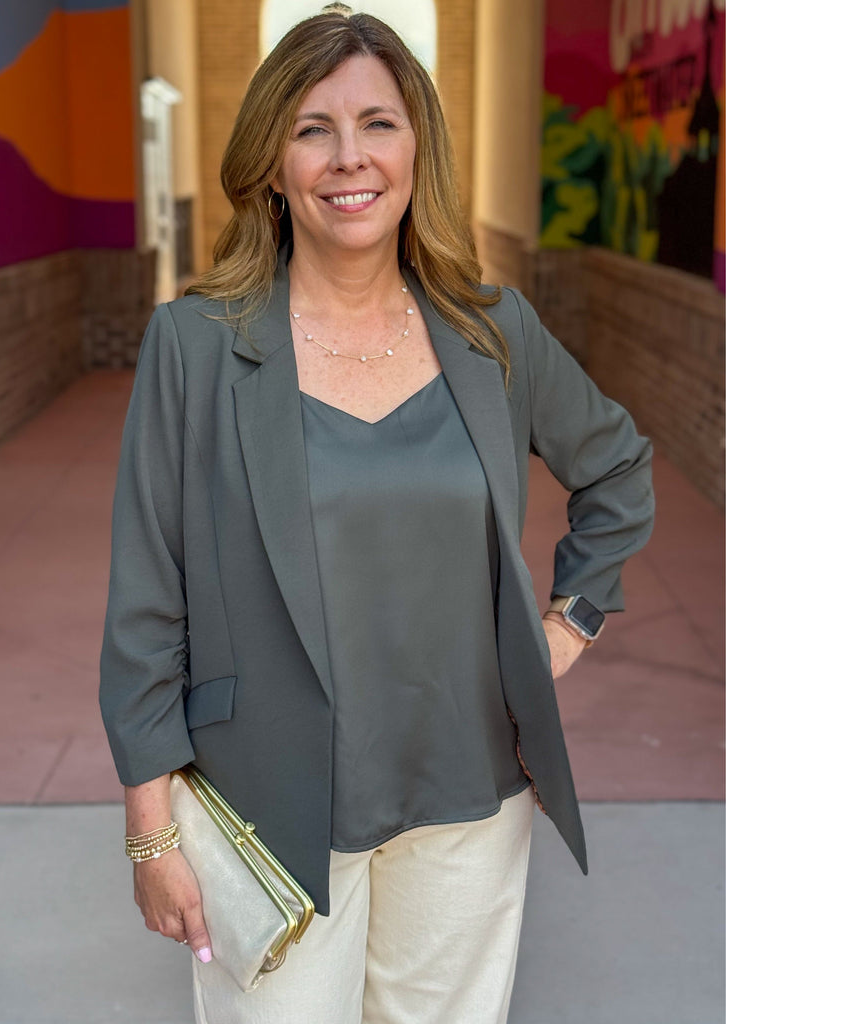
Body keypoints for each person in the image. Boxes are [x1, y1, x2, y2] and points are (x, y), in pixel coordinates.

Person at [100, 8, 654, 1023]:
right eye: (312, 128)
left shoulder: (491, 333)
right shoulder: (193, 347)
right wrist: (152, 831)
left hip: (469, 790)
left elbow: (616, 463)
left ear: (416, 150)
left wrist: (566, 626)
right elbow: (147, 598)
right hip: (265, 798)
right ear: (271, 162)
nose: (348, 157)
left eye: (378, 124)